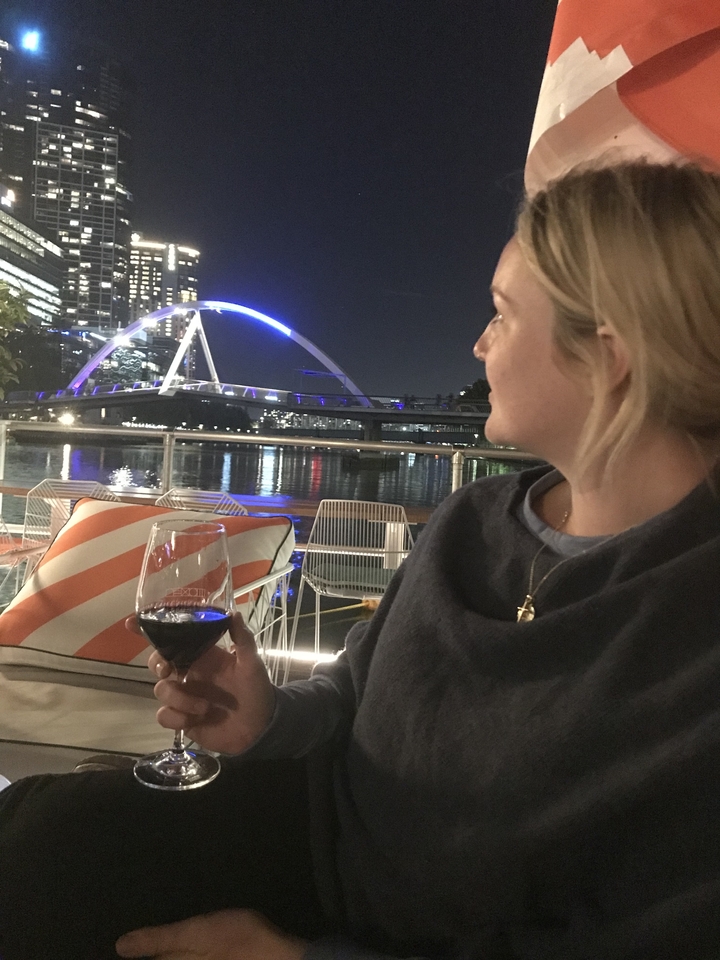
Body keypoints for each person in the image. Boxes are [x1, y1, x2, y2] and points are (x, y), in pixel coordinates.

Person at [2, 159, 720, 959]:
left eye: (502, 315)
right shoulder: (471, 520)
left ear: (610, 356)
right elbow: (356, 686)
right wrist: (272, 716)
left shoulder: (694, 627)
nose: (477, 344)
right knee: (34, 832)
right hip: (309, 834)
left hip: (386, 932)